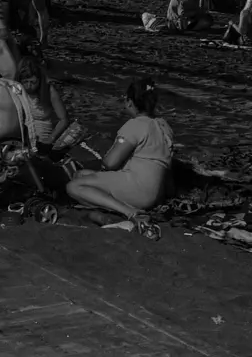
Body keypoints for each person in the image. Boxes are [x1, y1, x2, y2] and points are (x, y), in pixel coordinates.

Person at [65, 76, 174, 238]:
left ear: (130, 102)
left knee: (73, 186)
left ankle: (131, 212)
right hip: (157, 192)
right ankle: (120, 206)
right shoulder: (164, 125)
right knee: (82, 175)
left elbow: (110, 163)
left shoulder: (135, 125)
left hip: (139, 190)